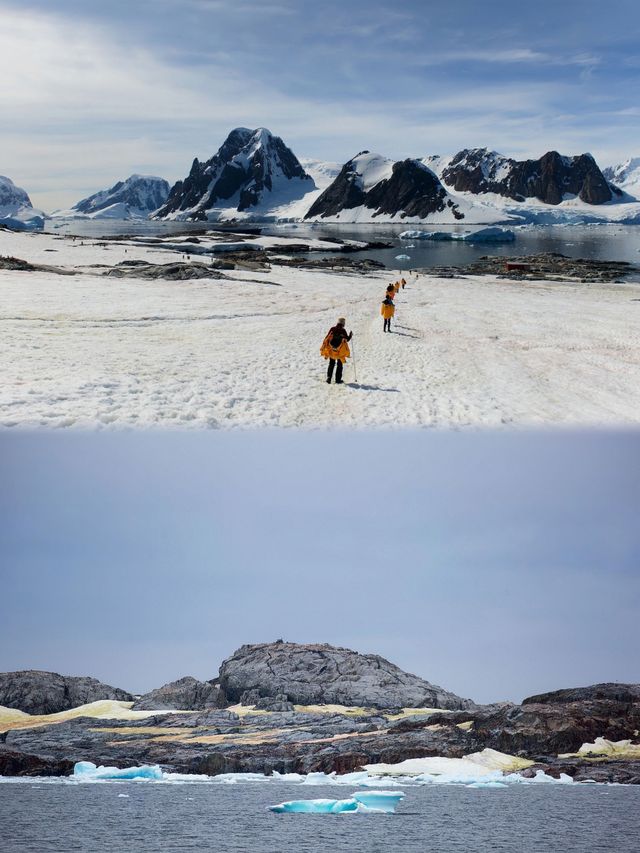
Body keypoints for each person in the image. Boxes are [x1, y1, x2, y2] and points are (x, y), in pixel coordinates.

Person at [320, 317, 353, 384]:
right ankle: (338, 380)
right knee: (339, 365)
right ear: (343, 324)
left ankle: (329, 378)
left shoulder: (332, 329)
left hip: (331, 351)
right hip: (340, 352)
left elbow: (327, 338)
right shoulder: (343, 330)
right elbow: (347, 340)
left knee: (331, 364)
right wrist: (350, 335)